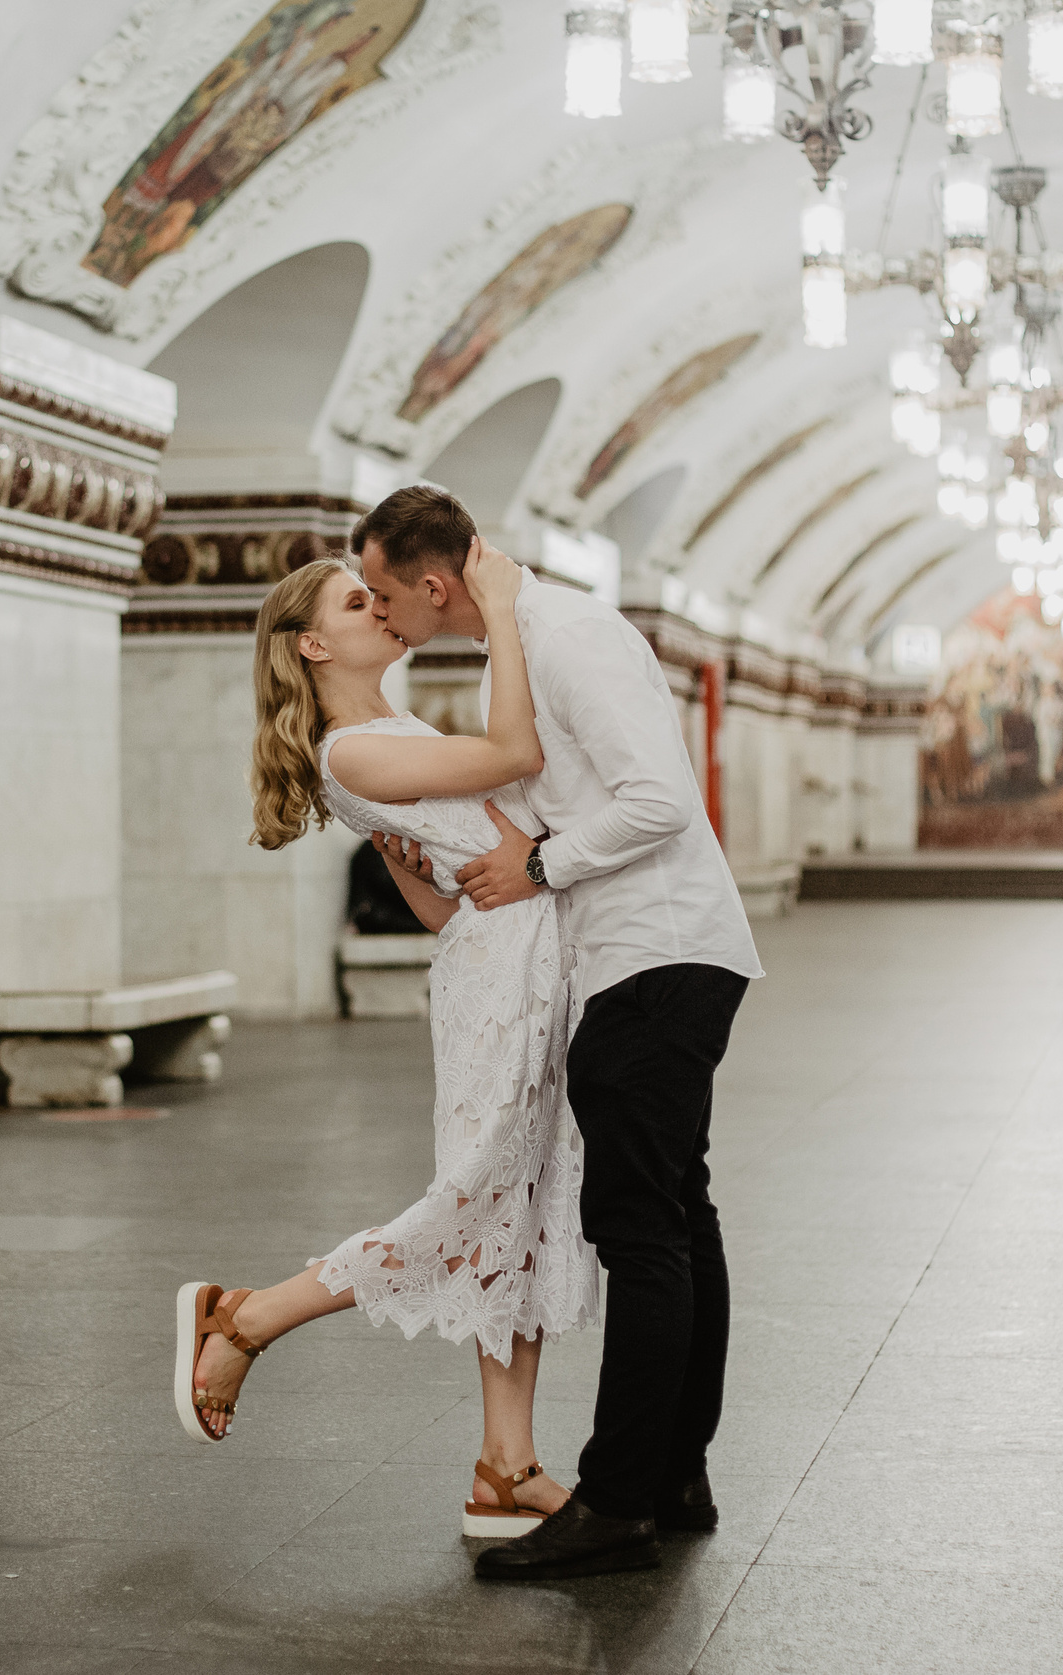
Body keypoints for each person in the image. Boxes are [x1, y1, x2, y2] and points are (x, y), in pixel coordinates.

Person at [357, 484, 763, 1584]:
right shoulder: (521, 644)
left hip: (655, 952)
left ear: (433, 583)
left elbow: (657, 802)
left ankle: (618, 1500)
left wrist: (538, 863)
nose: (379, 614)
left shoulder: (568, 634)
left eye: (384, 595)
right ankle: (673, 1477)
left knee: (641, 1229)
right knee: (677, 1213)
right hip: (654, 954)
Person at [176, 531, 600, 1546]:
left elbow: (442, 907)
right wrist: (496, 608)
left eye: (374, 596)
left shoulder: (386, 734)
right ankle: (248, 1317)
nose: (377, 606)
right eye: (353, 603)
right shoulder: (354, 748)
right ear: (311, 648)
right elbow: (517, 757)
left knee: (526, 1210)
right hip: (500, 981)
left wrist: (443, 860)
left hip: (506, 959)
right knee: (469, 1197)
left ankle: (507, 1468)